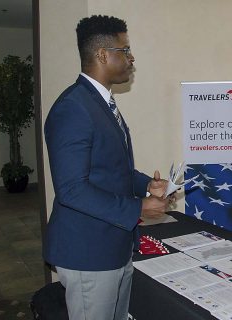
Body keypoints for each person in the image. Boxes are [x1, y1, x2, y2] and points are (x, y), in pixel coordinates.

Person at [43, 15, 170, 320]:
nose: (131, 57)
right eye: (125, 50)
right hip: (89, 252)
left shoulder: (101, 103)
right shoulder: (73, 108)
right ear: (102, 55)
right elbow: (72, 189)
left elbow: (110, 169)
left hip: (114, 246)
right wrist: (138, 208)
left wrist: (144, 185)